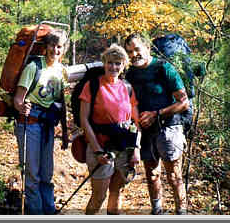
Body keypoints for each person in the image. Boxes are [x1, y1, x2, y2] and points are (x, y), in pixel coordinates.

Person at [124, 33, 189, 215]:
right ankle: (157, 211)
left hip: (169, 128)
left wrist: (157, 114)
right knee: (152, 175)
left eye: (137, 49)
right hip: (145, 132)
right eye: (129, 51)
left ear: (147, 48)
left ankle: (181, 213)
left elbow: (184, 103)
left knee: (174, 176)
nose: (133, 54)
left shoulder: (163, 68)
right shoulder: (131, 73)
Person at [79, 44, 141, 215]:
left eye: (118, 63)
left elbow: (135, 122)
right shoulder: (92, 86)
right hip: (101, 147)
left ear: (123, 66)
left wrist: (136, 149)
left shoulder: (127, 88)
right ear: (104, 63)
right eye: (110, 63)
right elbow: (84, 120)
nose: (114, 67)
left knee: (116, 192)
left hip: (124, 148)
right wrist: (97, 151)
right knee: (99, 195)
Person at [13, 28, 69, 215]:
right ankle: (36, 212)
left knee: (46, 174)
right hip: (30, 123)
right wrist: (22, 107)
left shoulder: (61, 71)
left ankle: (49, 211)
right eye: (52, 45)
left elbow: (61, 102)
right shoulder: (34, 67)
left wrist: (66, 133)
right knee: (32, 175)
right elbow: (18, 99)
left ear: (64, 49)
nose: (56, 50)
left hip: (47, 125)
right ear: (46, 47)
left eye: (59, 46)